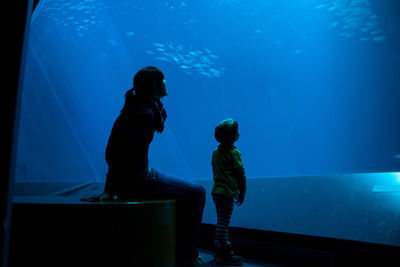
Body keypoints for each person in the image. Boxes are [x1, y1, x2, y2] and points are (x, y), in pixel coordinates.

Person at [102, 66, 208, 267]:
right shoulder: (145, 114)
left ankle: (179, 250)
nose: (166, 83)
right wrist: (117, 187)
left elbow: (112, 153)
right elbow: (116, 155)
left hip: (131, 179)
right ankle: (188, 258)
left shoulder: (137, 109)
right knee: (198, 193)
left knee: (189, 192)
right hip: (138, 181)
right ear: (155, 86)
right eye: (163, 80)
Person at [211, 118, 246, 266]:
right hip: (226, 194)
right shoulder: (234, 153)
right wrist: (243, 190)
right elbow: (240, 173)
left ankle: (221, 251)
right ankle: (223, 252)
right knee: (223, 224)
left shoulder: (215, 153)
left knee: (221, 222)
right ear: (233, 136)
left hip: (217, 193)